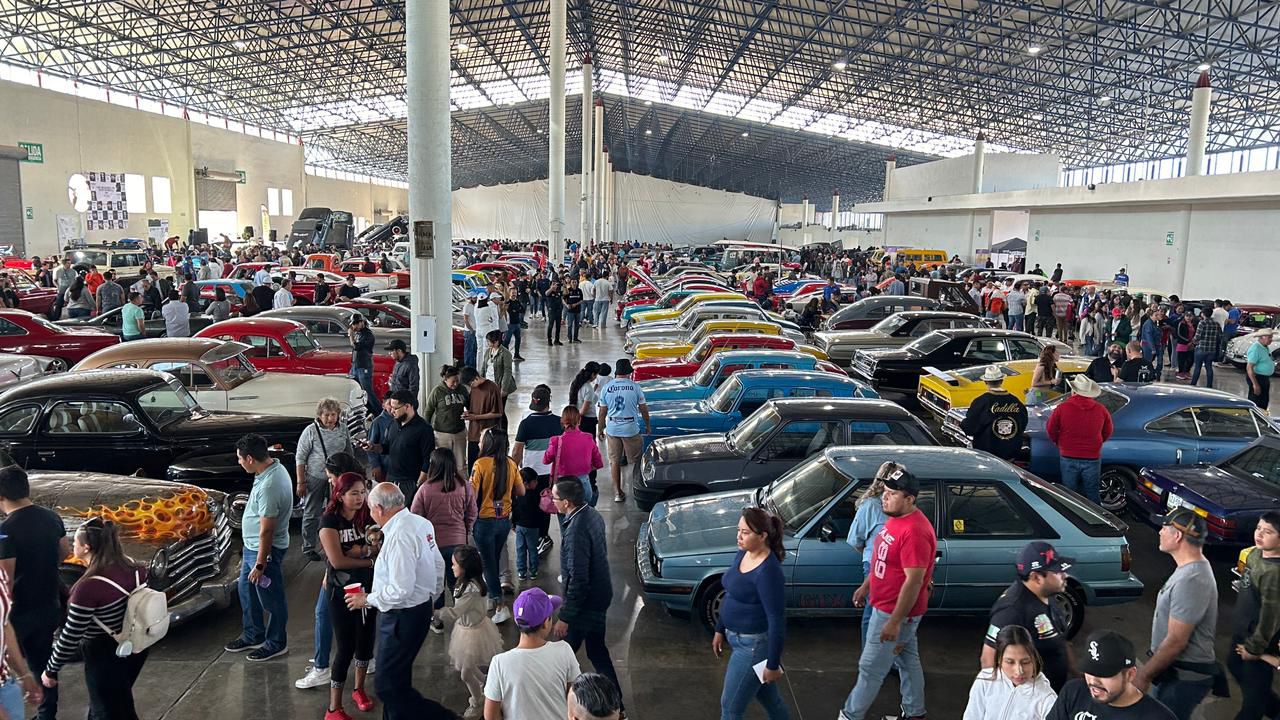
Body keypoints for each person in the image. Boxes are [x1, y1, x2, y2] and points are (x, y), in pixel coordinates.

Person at [344, 483, 453, 720]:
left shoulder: (398, 537)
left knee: (388, 686)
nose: (371, 514)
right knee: (397, 679)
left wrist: (367, 599)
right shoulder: (420, 523)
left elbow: (400, 590)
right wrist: (431, 598)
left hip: (401, 617)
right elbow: (438, 564)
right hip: (419, 609)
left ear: (380, 508)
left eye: (371, 509)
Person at [840, 465, 936, 720]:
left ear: (909, 499)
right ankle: (915, 712)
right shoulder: (895, 519)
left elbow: (914, 581)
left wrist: (894, 621)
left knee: (870, 669)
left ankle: (849, 716)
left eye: (892, 493)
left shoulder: (914, 531)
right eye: (885, 491)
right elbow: (884, 562)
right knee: (907, 659)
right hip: (886, 607)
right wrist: (866, 585)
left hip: (893, 612)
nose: (885, 496)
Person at [40, 518, 149, 717]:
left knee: (105, 710)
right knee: (120, 701)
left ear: (87, 547)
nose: (73, 545)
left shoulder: (88, 588)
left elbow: (71, 636)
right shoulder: (135, 567)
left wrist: (50, 669)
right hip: (135, 645)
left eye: (76, 542)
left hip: (104, 653)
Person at [1131, 508, 1219, 720]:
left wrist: (1144, 675)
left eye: (1164, 527)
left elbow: (1176, 641)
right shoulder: (1188, 570)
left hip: (1183, 679)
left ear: (1177, 535)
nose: (1160, 532)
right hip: (1171, 673)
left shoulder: (1192, 579)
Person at [550, 479, 623, 711]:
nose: (553, 502)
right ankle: (617, 707)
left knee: (562, 658)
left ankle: (561, 708)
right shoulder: (591, 513)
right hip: (600, 595)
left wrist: (566, 616)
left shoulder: (576, 530)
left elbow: (579, 578)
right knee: (597, 652)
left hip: (586, 604)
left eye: (555, 498)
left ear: (567, 503)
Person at [0, 465, 66, 720]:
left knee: (13, 665)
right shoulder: (52, 517)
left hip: (19, 613)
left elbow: (5, 582)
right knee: (45, 661)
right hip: (49, 604)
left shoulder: (6, 531)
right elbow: (64, 553)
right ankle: (47, 712)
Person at [714, 507, 788, 720]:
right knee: (770, 699)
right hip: (736, 638)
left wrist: (773, 665)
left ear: (762, 536)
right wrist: (720, 628)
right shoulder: (743, 553)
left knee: (730, 708)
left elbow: (776, 620)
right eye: (739, 530)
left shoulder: (768, 572)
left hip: (753, 647)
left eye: (745, 532)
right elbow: (731, 592)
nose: (739, 536)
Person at [224, 434, 292, 661]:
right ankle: (253, 634)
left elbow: (267, 530)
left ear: (250, 458)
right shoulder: (268, 470)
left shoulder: (271, 485)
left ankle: (276, 642)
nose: (239, 462)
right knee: (247, 591)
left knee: (270, 598)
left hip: (264, 551)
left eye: (240, 459)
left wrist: (261, 563)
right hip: (252, 547)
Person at [317, 472, 378, 720]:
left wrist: (363, 551)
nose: (360, 498)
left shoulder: (367, 516)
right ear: (340, 495)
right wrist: (368, 559)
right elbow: (338, 561)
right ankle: (333, 707)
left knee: (365, 642)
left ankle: (359, 690)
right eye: (354, 493)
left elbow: (378, 544)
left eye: (363, 492)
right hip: (340, 591)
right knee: (345, 646)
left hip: (367, 589)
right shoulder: (329, 521)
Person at [981, 541, 1074, 691]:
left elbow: (1061, 641)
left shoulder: (1047, 596)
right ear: (1036, 577)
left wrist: (1077, 673)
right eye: (1057, 572)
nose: (1065, 575)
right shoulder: (1011, 611)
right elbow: (988, 659)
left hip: (1052, 695)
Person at [483, 587, 581, 720]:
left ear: (517, 622)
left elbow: (490, 716)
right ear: (546, 623)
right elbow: (576, 699)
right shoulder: (564, 650)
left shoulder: (499, 663)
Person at [436, 546, 504, 719]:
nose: (451, 567)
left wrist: (434, 612)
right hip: (468, 628)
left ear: (464, 567)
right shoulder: (469, 583)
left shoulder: (470, 591)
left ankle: (478, 700)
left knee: (466, 673)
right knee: (469, 664)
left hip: (473, 633)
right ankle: (485, 682)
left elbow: (454, 613)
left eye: (454, 564)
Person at [1045, 630, 1176, 720]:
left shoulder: (1158, 717)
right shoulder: (1074, 692)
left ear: (1130, 675)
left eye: (1104, 674)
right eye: (1089, 671)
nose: (1093, 681)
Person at [412, 449, 477, 619]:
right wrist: (466, 530)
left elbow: (415, 517)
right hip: (458, 544)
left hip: (434, 546)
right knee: (457, 583)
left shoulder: (425, 489)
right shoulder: (464, 486)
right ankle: (461, 616)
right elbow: (472, 512)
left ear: (433, 466)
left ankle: (437, 618)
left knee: (436, 584)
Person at [1229, 511, 1280, 720]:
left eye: (1267, 532)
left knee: (1253, 702)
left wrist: (1255, 648)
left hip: (1259, 641)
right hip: (1242, 633)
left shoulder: (1275, 573)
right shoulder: (1254, 554)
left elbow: (1272, 615)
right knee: (1234, 665)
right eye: (1259, 528)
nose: (1259, 534)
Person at [470, 427, 524, 624]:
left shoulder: (480, 464)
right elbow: (521, 490)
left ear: (489, 443)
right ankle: (491, 599)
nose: (479, 442)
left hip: (484, 521)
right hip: (503, 521)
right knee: (492, 559)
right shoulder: (511, 464)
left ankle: (500, 605)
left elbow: (472, 495)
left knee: (488, 564)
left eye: (482, 438)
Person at [296, 398, 354, 561]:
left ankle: (337, 544)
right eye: (326, 415)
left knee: (338, 511)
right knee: (312, 512)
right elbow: (300, 457)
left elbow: (349, 453)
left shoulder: (343, 429)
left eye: (333, 414)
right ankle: (308, 546)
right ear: (319, 416)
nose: (330, 418)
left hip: (338, 479)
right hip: (316, 477)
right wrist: (301, 482)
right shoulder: (310, 431)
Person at [964, 625, 1058, 720]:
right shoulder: (985, 680)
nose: (1019, 671)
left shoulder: (1046, 698)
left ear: (1034, 658)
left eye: (1025, 662)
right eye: (1010, 662)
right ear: (999, 659)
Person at [1045, 376, 1112, 505]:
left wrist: (1059, 443)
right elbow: (1108, 431)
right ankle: (1097, 520)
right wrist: (1095, 443)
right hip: (1092, 456)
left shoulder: (1062, 408)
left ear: (1073, 391)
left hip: (1068, 454)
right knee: (1092, 492)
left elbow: (1051, 429)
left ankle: (1072, 519)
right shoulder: (1101, 409)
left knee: (1069, 492)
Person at [363, 389, 434, 502]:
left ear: (407, 406)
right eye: (391, 407)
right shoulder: (393, 424)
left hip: (410, 482)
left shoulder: (424, 429)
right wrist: (373, 447)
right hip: (391, 477)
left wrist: (419, 484)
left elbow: (428, 460)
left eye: (395, 408)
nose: (392, 411)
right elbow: (387, 447)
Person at [847, 466, 891, 645]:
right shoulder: (871, 506)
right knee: (873, 613)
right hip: (876, 565)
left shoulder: (900, 510)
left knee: (882, 613)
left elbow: (856, 541)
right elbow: (855, 540)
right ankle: (870, 655)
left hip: (890, 565)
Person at [597, 358, 649, 504]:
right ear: (628, 373)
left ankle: (618, 493)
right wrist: (648, 424)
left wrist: (600, 428)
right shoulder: (635, 387)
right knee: (637, 461)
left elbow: (602, 412)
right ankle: (637, 488)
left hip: (613, 429)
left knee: (614, 461)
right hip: (631, 428)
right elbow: (644, 409)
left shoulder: (607, 387)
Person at [961, 366, 1028, 460]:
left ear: (985, 382)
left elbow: (970, 428)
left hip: (986, 454)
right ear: (1002, 380)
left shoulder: (981, 402)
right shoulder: (1016, 401)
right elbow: (1023, 424)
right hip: (1011, 454)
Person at [544, 406, 604, 508]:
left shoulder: (556, 441)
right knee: (583, 519)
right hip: (584, 484)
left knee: (565, 521)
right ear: (579, 420)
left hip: (563, 487)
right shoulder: (588, 438)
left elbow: (545, 460)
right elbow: (598, 463)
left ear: (562, 421)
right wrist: (586, 468)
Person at [423, 365, 469, 471]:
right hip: (442, 434)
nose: (456, 384)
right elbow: (428, 411)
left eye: (457, 380)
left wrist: (469, 413)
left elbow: (470, 405)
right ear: (445, 379)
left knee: (461, 465)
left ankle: (461, 486)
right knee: (443, 464)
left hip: (459, 432)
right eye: (453, 381)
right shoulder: (437, 391)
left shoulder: (462, 389)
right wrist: (427, 430)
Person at [479, 329, 517, 425]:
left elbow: (507, 372)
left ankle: (502, 430)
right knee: (490, 408)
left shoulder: (505, 354)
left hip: (499, 385)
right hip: (488, 384)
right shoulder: (488, 352)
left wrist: (504, 389)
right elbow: (484, 366)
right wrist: (479, 380)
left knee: (500, 411)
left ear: (496, 342)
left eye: (489, 341)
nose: (487, 343)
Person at [348, 315, 378, 415]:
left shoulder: (368, 335)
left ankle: (379, 412)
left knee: (367, 391)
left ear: (362, 322)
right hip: (356, 366)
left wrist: (351, 336)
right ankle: (365, 411)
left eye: (356, 323)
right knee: (355, 390)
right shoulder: (359, 334)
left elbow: (356, 347)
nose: (355, 326)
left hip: (364, 366)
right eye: (353, 324)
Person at [1189, 306, 1221, 388]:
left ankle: (1193, 384)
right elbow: (1219, 336)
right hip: (1212, 349)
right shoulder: (1216, 324)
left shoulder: (1202, 323)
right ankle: (1209, 385)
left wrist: (1192, 342)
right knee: (1209, 367)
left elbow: (1197, 336)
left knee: (1197, 367)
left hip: (1201, 348)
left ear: (1203, 314)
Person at [1246, 328, 1274, 410]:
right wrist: (1255, 384)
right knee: (1257, 402)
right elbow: (1249, 367)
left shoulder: (1264, 347)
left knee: (1263, 402)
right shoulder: (1256, 349)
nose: (1271, 340)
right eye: (1269, 338)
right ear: (1262, 337)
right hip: (1257, 378)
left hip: (1264, 378)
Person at [545, 280, 564, 346]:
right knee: (551, 325)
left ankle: (557, 340)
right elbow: (546, 293)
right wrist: (551, 288)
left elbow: (564, 295)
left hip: (558, 310)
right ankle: (549, 340)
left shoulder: (558, 292)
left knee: (558, 326)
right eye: (553, 284)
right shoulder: (549, 292)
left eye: (555, 284)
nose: (555, 286)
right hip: (552, 311)